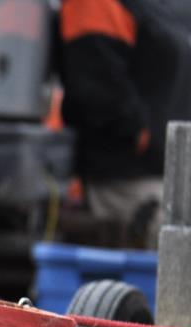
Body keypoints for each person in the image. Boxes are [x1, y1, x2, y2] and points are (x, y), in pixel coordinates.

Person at [59, 0, 191, 248]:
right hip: (128, 182)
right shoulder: (95, 4)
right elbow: (97, 86)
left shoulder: (166, 8)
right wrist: (138, 136)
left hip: (172, 175)